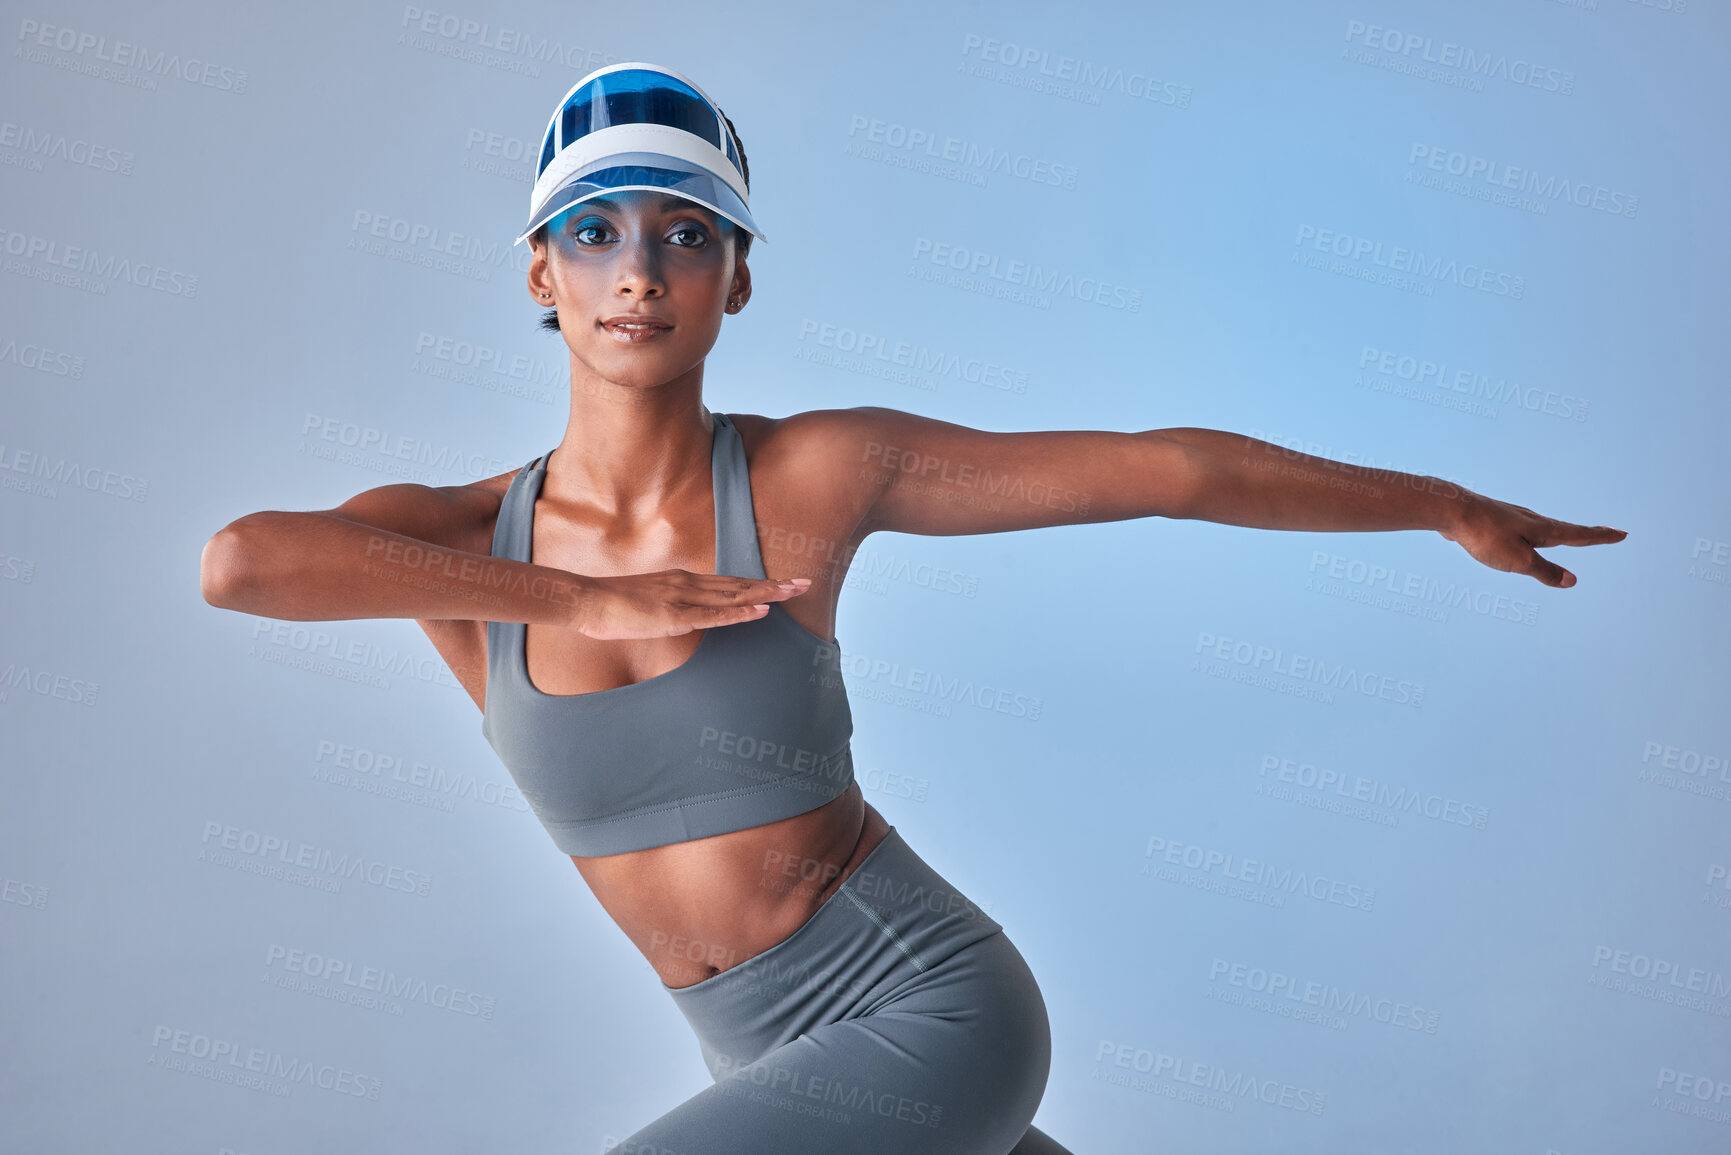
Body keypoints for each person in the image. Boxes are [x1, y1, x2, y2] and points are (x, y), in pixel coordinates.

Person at [198, 63, 1627, 1153]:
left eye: (686, 234)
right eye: (594, 230)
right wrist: (582, 590)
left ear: (737, 278)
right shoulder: (459, 552)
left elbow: (1171, 470)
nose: (638, 268)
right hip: (752, 1055)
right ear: (540, 272)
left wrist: (1440, 499)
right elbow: (242, 564)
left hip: (925, 1006)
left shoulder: (816, 474)